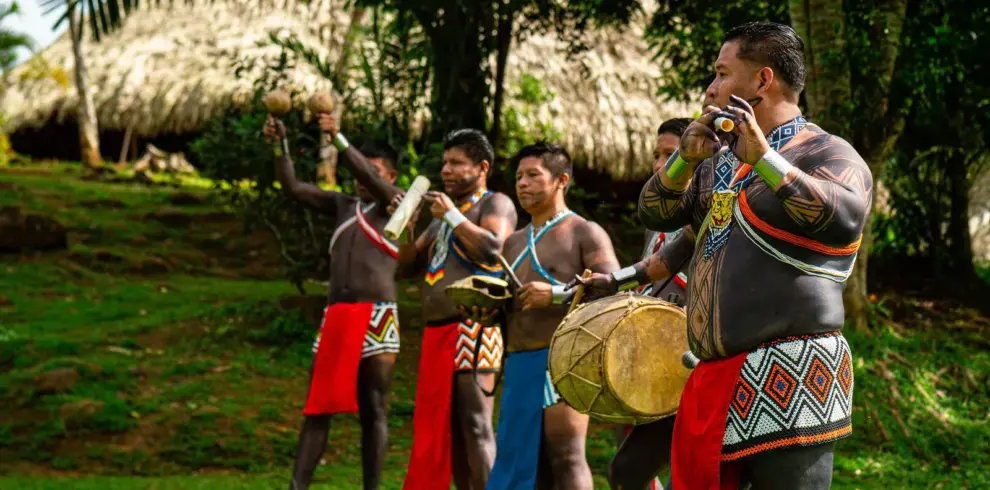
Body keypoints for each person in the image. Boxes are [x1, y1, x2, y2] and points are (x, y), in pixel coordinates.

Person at [638, 22, 871, 490]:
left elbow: (844, 216)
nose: (710, 88)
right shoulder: (716, 161)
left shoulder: (828, 152)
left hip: (793, 375)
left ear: (763, 80)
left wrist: (764, 158)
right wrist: (684, 158)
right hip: (714, 379)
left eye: (722, 74)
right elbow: (655, 213)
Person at [464, 142, 620, 490]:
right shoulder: (513, 243)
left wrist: (557, 295)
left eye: (534, 175)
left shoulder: (584, 231)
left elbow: (613, 288)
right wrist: (484, 310)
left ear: (561, 180)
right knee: (518, 462)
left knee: (565, 456)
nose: (523, 183)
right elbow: (509, 307)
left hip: (562, 362)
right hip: (519, 362)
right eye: (519, 176)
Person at [264, 113, 405, 490]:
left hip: (377, 317)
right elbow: (293, 187)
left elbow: (372, 180)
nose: (361, 177)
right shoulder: (343, 206)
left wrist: (338, 138)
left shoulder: (401, 206)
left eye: (372, 170)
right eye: (358, 170)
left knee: (374, 408)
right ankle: (297, 487)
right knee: (317, 407)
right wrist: (281, 144)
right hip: (337, 318)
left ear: (390, 177)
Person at [386, 129, 518, 490]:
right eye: (444, 162)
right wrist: (409, 229)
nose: (446, 170)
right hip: (436, 334)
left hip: (475, 324)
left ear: (482, 168)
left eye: (456, 163)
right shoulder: (444, 213)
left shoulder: (494, 203)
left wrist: (453, 219)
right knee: (445, 432)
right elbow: (406, 268)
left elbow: (493, 248)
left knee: (475, 425)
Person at [573, 118, 696, 490]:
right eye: (656, 156)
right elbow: (651, 272)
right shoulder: (658, 220)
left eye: (671, 154)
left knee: (679, 470)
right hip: (649, 356)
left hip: (692, 359)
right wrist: (613, 284)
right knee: (627, 465)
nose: (660, 165)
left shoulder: (710, 212)